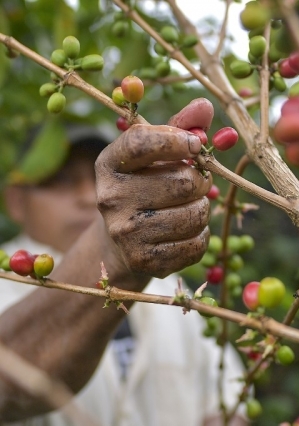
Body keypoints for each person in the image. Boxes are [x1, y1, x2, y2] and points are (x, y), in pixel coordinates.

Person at [0, 99, 249, 426]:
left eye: (95, 177)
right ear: (16, 202)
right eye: (61, 180)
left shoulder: (170, 289)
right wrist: (111, 254)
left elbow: (227, 399)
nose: (88, 196)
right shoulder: (8, 280)